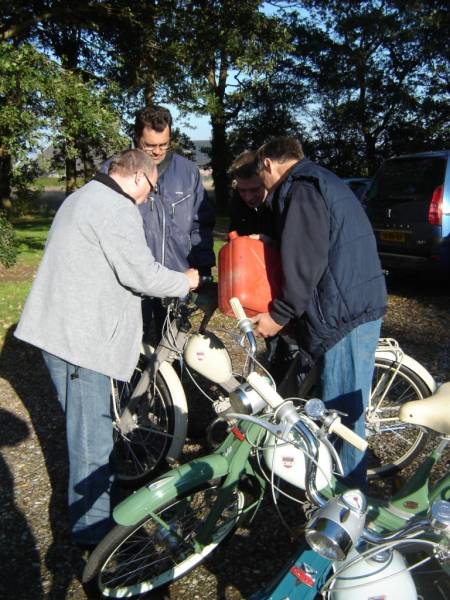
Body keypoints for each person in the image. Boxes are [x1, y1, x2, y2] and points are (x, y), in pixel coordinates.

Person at [15, 149, 199, 547]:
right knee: (92, 440)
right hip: (81, 341)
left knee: (84, 430)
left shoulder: (80, 197)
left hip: (57, 332)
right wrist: (186, 281)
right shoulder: (116, 207)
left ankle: (100, 509)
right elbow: (141, 274)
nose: (148, 198)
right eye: (150, 190)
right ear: (137, 178)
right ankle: (94, 537)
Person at [252, 137, 387, 489]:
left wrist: (278, 315)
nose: (261, 188)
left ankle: (347, 510)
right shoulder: (318, 179)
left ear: (268, 163)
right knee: (337, 408)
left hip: (345, 313)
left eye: (259, 175)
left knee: (342, 419)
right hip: (352, 301)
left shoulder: (300, 189)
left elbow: (305, 263)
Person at [102, 105, 215, 340]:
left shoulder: (188, 172)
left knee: (172, 348)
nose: (157, 151)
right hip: (130, 282)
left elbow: (200, 224)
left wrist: (203, 269)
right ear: (136, 138)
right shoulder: (114, 171)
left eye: (163, 144)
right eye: (150, 145)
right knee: (130, 350)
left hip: (176, 277)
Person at [228, 150, 272, 236]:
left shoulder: (281, 205)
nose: (248, 197)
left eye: (254, 190)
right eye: (242, 190)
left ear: (267, 181)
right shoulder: (237, 204)